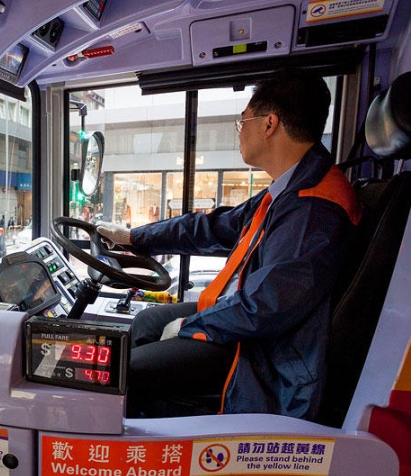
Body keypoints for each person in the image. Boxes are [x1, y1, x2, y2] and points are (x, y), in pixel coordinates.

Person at [96, 68, 361, 420]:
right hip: (255, 325)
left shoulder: (313, 208)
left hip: (269, 352)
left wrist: (192, 327)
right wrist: (134, 238)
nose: (240, 132)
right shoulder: (289, 190)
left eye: (243, 122)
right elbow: (212, 227)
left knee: (125, 372)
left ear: (270, 124)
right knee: (148, 322)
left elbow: (267, 307)